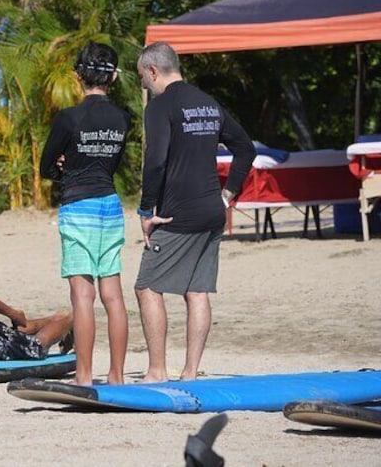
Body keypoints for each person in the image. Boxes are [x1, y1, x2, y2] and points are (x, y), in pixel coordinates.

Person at [135, 42, 255, 382]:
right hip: (212, 212)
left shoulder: (160, 107)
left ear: (154, 71)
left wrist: (146, 209)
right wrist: (227, 195)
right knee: (196, 290)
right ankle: (189, 372)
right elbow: (245, 148)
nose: (144, 85)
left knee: (146, 287)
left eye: (143, 77)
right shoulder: (208, 103)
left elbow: (155, 161)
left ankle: (157, 370)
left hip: (178, 215)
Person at [39, 41, 131, 386]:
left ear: (78, 75)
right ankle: (118, 375)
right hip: (110, 205)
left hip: (79, 207)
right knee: (113, 295)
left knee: (83, 296)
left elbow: (47, 167)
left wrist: (65, 168)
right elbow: (109, 164)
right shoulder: (123, 118)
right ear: (113, 77)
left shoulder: (68, 118)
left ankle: (85, 376)